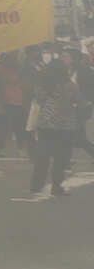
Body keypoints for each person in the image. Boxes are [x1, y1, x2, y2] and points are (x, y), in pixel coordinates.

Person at [27, 48, 77, 197]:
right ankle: (56, 186)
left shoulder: (42, 84)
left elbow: (39, 99)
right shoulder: (71, 86)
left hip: (46, 123)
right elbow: (79, 101)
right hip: (64, 125)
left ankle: (36, 185)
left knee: (43, 155)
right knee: (60, 157)